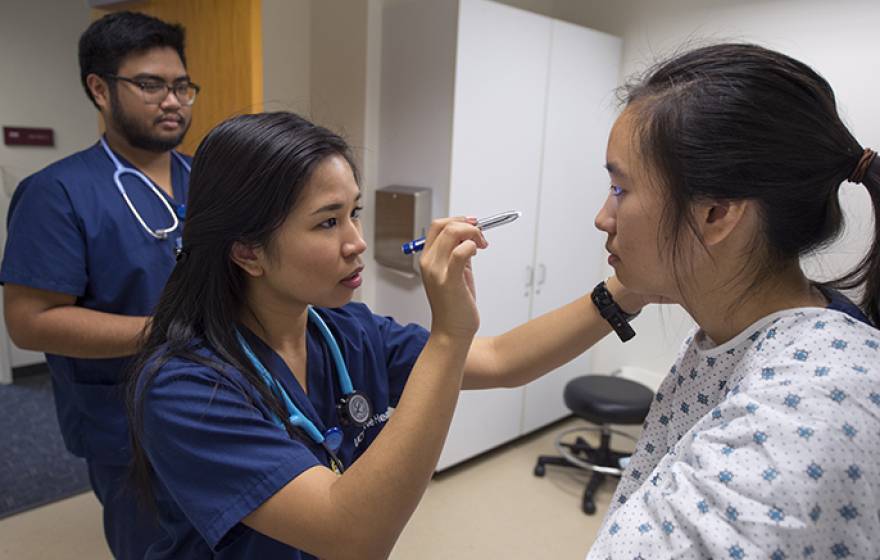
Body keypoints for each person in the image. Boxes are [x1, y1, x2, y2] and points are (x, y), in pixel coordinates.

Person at [127, 111, 652, 559]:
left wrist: (630, 287)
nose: (357, 242)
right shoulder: (186, 388)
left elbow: (501, 361)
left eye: (353, 213)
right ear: (248, 252)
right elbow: (353, 536)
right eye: (327, 223)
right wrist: (448, 335)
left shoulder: (347, 333)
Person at [587, 43, 880, 558]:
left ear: (717, 214)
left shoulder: (802, 426)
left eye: (619, 190)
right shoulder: (735, 337)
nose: (603, 218)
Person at [0, 11, 197, 559]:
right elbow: (29, 322)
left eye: (181, 86)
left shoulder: (206, 177)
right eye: (150, 85)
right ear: (99, 89)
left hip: (218, 399)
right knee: (155, 545)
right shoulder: (57, 193)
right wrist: (169, 333)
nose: (173, 100)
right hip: (126, 418)